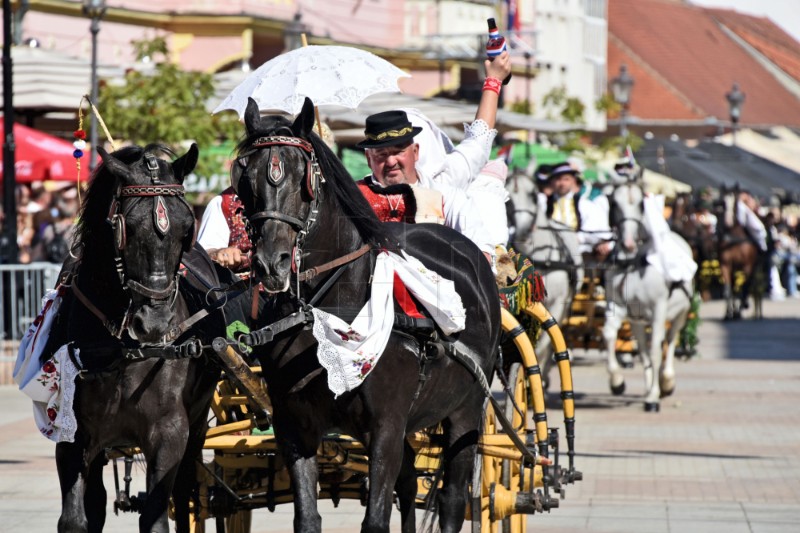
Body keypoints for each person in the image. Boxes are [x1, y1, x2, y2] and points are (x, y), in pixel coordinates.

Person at [355, 51, 513, 264]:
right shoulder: (354, 198)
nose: (391, 161)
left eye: (398, 151)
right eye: (381, 154)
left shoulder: (445, 192)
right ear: (368, 159)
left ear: (416, 151)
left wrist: (494, 81)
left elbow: (480, 139)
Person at [540, 161, 614, 264]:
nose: (562, 183)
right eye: (558, 179)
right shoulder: (542, 204)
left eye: (566, 179)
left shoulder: (585, 205)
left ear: (573, 181)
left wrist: (576, 238)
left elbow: (598, 232)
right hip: (548, 256)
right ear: (552, 182)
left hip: (580, 255)